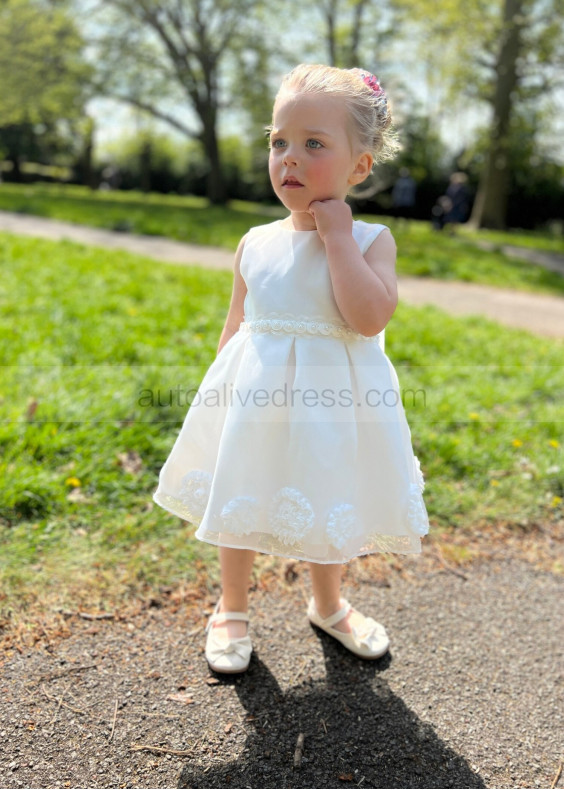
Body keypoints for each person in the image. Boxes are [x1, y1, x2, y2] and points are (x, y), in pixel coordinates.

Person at [152, 64, 429, 674]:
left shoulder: (369, 241)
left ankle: (328, 604)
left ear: (360, 166)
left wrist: (336, 239)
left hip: (332, 413)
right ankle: (231, 608)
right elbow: (237, 328)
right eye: (279, 141)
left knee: (328, 500)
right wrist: (216, 402)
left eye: (314, 144)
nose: (290, 158)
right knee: (240, 496)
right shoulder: (256, 242)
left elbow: (369, 318)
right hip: (254, 404)